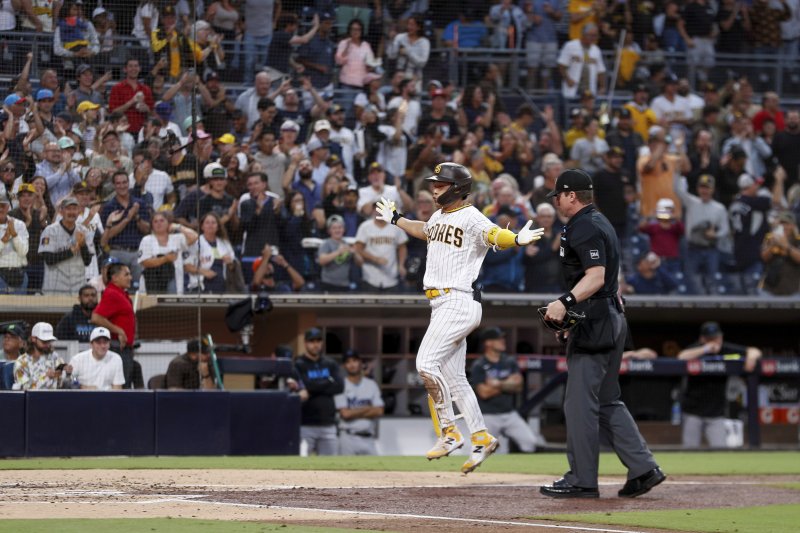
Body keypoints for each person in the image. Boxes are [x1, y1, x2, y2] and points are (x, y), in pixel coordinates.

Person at [374, 162, 544, 474]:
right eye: (435, 183)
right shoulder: (439, 216)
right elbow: (423, 230)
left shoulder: (471, 215)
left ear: (457, 188)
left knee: (425, 365)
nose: (434, 188)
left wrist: (516, 240)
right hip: (442, 305)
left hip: (457, 299)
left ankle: (449, 432)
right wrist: (398, 220)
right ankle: (481, 437)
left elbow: (495, 234)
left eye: (440, 184)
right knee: (455, 379)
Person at [540, 168, 664, 499]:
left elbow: (595, 277)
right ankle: (643, 468)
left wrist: (564, 304)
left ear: (570, 195)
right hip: (608, 315)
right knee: (608, 399)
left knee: (580, 404)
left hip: (597, 319)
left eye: (559, 196)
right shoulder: (601, 221)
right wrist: (574, 317)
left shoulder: (583, 226)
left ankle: (582, 479)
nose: (556, 203)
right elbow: (608, 281)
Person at [677, 321, 762, 448]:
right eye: (710, 339)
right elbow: (681, 357)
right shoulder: (696, 349)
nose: (714, 342)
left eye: (716, 338)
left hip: (716, 414)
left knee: (721, 451)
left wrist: (751, 357)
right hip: (692, 412)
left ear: (721, 337)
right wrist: (705, 349)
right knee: (689, 450)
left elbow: (754, 351)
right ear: (702, 339)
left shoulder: (725, 349)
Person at [470, 327, 542, 453]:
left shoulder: (509, 361)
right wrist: (508, 383)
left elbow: (518, 386)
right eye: (498, 339)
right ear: (488, 343)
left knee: (530, 442)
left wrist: (497, 383)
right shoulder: (479, 365)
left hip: (509, 414)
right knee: (484, 451)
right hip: (488, 415)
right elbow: (484, 393)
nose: (503, 341)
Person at [294, 327, 345, 456]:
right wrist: (328, 381)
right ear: (305, 343)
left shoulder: (330, 363)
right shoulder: (299, 364)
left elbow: (340, 387)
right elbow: (305, 384)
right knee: (301, 465)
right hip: (305, 424)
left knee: (330, 466)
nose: (315, 344)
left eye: (318, 341)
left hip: (328, 424)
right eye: (312, 341)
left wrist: (311, 389)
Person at [91, 262, 136, 388]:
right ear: (115, 278)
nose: (130, 277)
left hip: (125, 349)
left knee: (124, 385)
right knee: (118, 387)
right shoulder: (112, 293)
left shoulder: (122, 293)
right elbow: (96, 317)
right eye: (126, 274)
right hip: (117, 349)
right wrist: (119, 331)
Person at [334, 349, 384, 455]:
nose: (352, 364)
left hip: (368, 437)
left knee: (375, 470)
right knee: (345, 471)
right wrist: (368, 408)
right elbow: (345, 414)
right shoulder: (341, 385)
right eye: (348, 362)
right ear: (344, 366)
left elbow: (379, 411)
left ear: (360, 362)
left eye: (354, 360)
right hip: (347, 438)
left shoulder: (371, 384)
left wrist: (354, 412)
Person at [39, 197, 93, 294]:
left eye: (74, 209)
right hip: (55, 287)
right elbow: (49, 260)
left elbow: (87, 261)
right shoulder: (50, 231)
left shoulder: (83, 231)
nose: (72, 212)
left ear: (79, 211)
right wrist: (71, 251)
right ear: (61, 211)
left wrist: (83, 245)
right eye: (68, 209)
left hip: (78, 287)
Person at [137, 212, 197, 294]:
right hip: (152, 281)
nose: (159, 223)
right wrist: (166, 259)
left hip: (174, 279)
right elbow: (144, 262)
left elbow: (194, 236)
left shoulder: (177, 238)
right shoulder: (147, 240)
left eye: (162, 221)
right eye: (155, 221)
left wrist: (178, 226)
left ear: (168, 223)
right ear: (152, 225)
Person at [13, 322, 66, 390]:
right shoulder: (22, 362)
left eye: (49, 341)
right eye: (44, 341)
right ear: (33, 339)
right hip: (32, 399)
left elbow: (62, 384)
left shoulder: (55, 357)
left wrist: (66, 374)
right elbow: (24, 388)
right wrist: (46, 377)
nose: (47, 345)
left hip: (55, 398)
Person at [0, 193, 29, 294]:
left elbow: (23, 252)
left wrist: (15, 235)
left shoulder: (19, 224)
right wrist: (4, 239)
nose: (0, 209)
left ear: (8, 207)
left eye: (3, 206)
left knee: (20, 309)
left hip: (19, 274)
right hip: (0, 275)